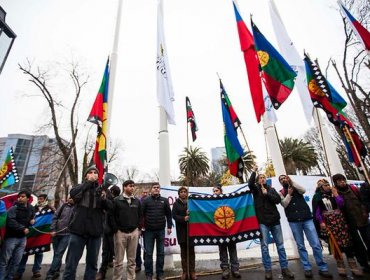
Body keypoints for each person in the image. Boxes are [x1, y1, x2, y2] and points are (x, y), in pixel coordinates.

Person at [62, 165, 112, 280]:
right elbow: (73, 194)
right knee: (71, 263)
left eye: (95, 172)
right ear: (86, 176)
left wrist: (104, 199)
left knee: (92, 264)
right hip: (77, 231)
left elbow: (110, 207)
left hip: (95, 233)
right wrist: (88, 183)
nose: (93, 174)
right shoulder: (80, 187)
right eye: (90, 172)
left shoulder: (103, 190)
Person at [278, 175, 332, 278]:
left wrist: (292, 182)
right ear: (280, 182)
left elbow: (303, 190)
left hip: (307, 219)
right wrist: (289, 194)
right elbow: (284, 204)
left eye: (284, 178)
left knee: (315, 244)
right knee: (301, 246)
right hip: (294, 222)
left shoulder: (296, 187)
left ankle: (323, 268)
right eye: (281, 179)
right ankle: (307, 268)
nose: (283, 180)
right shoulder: (281, 192)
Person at [248, 166, 294, 280]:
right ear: (258, 180)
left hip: (275, 221)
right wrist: (254, 171)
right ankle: (268, 270)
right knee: (264, 247)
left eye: (264, 177)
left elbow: (278, 200)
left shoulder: (271, 189)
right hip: (263, 222)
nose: (262, 179)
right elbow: (249, 184)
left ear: (266, 179)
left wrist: (267, 193)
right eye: (260, 178)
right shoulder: (255, 190)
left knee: (280, 246)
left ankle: (285, 268)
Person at [313, 178, 362, 277]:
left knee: (347, 242)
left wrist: (336, 195)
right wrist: (321, 222)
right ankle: (341, 266)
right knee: (335, 244)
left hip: (340, 221)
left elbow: (341, 204)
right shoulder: (317, 197)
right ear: (320, 187)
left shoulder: (334, 194)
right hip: (329, 223)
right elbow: (317, 212)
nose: (328, 186)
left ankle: (353, 266)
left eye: (328, 184)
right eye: (325, 185)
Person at [332, 173, 370, 273]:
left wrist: (365, 211)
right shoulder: (336, 194)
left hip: (363, 219)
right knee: (358, 245)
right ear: (336, 183)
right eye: (339, 181)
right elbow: (340, 205)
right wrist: (336, 195)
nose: (342, 182)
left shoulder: (353, 189)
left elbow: (362, 201)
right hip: (350, 223)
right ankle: (364, 264)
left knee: (368, 240)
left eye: (343, 180)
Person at [15, 193, 54, 279]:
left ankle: (36, 270)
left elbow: (53, 220)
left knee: (39, 252)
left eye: (41, 199)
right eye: (39, 199)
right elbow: (27, 217)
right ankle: (19, 271)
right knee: (25, 252)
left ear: (45, 200)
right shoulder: (33, 208)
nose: (39, 200)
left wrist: (52, 231)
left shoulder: (50, 209)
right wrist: (30, 220)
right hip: (31, 233)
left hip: (41, 235)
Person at [110, 180, 142, 280]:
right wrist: (116, 229)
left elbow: (140, 216)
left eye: (133, 186)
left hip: (134, 232)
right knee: (118, 261)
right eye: (130, 186)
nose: (132, 188)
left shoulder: (137, 201)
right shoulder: (116, 200)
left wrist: (139, 229)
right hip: (120, 233)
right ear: (124, 187)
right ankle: (117, 278)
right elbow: (111, 216)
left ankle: (130, 278)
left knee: (132, 260)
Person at [0, 190, 35, 280]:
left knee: (16, 261)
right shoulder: (13, 208)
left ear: (28, 198)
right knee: (4, 260)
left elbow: (32, 218)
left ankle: (10, 277)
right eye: (19, 196)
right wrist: (22, 228)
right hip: (11, 238)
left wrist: (32, 221)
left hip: (22, 238)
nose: (20, 198)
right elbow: (10, 221)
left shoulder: (31, 208)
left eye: (23, 196)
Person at [142, 183, 172, 280]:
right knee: (149, 253)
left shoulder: (165, 200)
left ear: (159, 189)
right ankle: (148, 274)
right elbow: (141, 215)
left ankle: (160, 273)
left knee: (160, 253)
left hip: (161, 231)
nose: (156, 189)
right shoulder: (146, 200)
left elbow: (169, 215)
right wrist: (141, 227)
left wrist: (169, 226)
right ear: (151, 189)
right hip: (148, 231)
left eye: (158, 188)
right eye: (154, 188)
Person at [212, 185, 241, 279]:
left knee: (233, 249)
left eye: (216, 190)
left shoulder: (228, 200)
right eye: (214, 191)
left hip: (231, 230)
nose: (215, 192)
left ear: (221, 191)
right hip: (219, 231)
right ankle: (225, 270)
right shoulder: (211, 202)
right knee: (223, 251)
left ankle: (235, 269)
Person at [45, 197, 74, 280]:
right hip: (56, 233)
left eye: (72, 198)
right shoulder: (63, 206)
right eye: (70, 197)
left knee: (59, 253)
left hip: (67, 234)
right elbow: (55, 217)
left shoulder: (76, 208)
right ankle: (56, 270)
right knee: (56, 253)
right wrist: (53, 229)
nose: (70, 199)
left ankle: (50, 274)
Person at [96, 184, 121, 280]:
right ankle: (102, 271)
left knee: (115, 253)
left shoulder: (115, 202)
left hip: (114, 231)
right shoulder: (109, 200)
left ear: (113, 193)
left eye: (110, 191)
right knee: (106, 252)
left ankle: (112, 273)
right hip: (108, 231)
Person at [172, 186, 197, 280]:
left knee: (191, 253)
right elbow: (174, 216)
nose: (183, 193)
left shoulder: (191, 203)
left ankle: (192, 271)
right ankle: (185, 272)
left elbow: (196, 214)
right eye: (181, 192)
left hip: (191, 231)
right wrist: (183, 218)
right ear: (179, 194)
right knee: (183, 253)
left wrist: (191, 213)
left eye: (185, 192)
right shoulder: (176, 204)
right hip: (181, 232)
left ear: (187, 193)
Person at [136, 188, 149, 273]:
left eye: (146, 193)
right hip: (138, 228)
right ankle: (138, 264)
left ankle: (146, 263)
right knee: (137, 247)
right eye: (143, 192)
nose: (145, 194)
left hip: (147, 228)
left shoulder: (149, 201)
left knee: (147, 247)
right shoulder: (137, 202)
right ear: (141, 193)